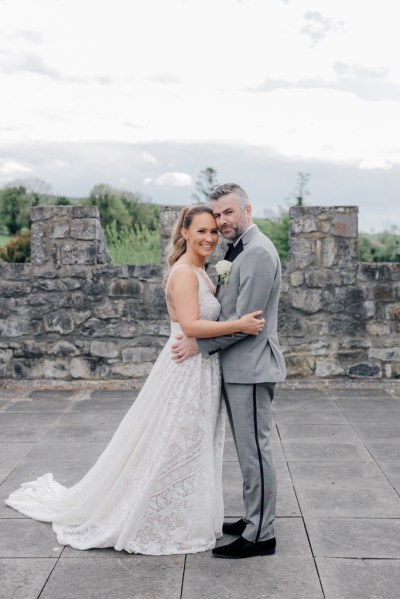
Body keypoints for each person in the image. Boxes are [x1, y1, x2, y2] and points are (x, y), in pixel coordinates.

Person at [5, 204, 265, 556]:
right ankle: (154, 515)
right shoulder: (185, 274)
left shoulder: (203, 272)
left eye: (214, 231)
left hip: (201, 367)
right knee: (172, 441)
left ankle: (182, 511)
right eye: (201, 230)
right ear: (184, 233)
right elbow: (190, 326)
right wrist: (239, 325)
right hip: (185, 370)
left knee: (188, 442)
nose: (209, 237)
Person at [172, 184, 286, 559]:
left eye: (228, 213)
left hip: (250, 368)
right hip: (238, 368)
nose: (221, 222)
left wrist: (199, 344)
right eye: (217, 215)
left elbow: (245, 322)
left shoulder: (256, 253)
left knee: (255, 450)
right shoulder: (239, 251)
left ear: (247, 210)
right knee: (247, 449)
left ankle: (260, 534)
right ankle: (254, 517)